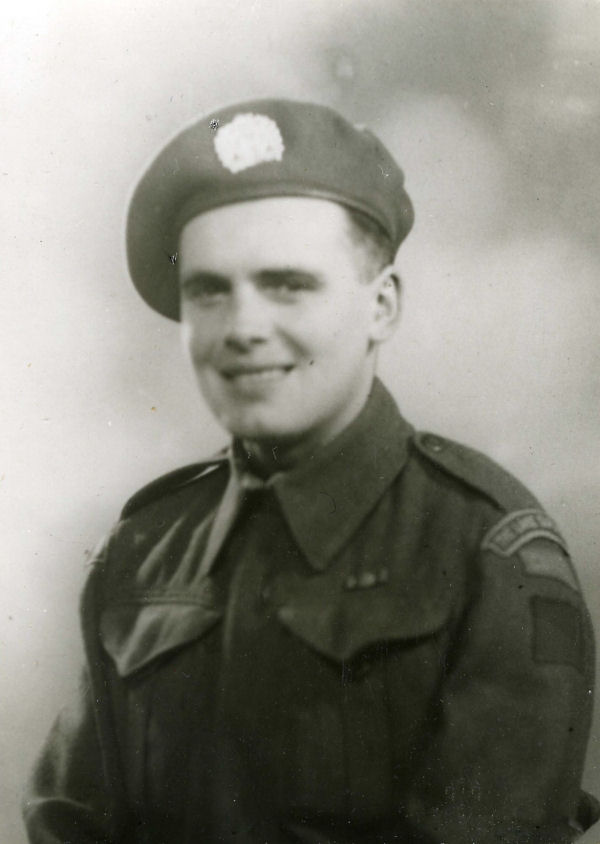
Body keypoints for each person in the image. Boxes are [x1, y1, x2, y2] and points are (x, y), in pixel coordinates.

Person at [23, 98, 598, 844]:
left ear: (381, 306)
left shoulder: (489, 552)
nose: (243, 328)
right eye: (209, 290)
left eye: (287, 284)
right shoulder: (142, 553)